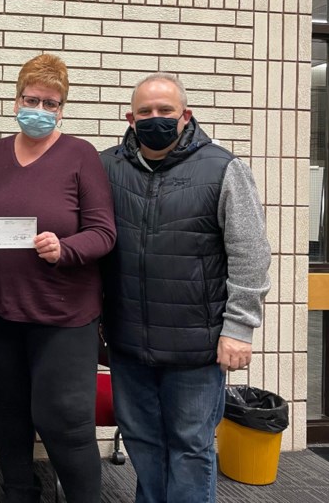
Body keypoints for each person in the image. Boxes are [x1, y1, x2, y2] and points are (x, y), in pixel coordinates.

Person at [100, 72, 272, 503]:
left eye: (165, 111)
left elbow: (251, 252)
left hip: (197, 347)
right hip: (128, 343)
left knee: (191, 449)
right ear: (129, 117)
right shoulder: (106, 167)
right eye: (145, 112)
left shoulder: (223, 168)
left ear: (185, 116)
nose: (154, 119)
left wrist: (240, 327)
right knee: (142, 443)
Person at [0, 53, 117, 503]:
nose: (39, 109)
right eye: (31, 99)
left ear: (62, 108)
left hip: (63, 316)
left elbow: (104, 232)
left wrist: (65, 249)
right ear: (16, 99)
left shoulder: (80, 156)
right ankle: (19, 494)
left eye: (50, 103)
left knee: (65, 422)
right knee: (9, 418)